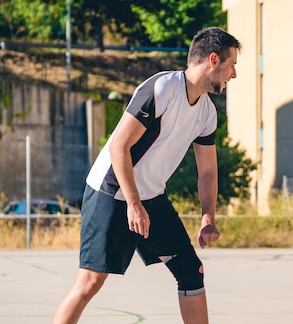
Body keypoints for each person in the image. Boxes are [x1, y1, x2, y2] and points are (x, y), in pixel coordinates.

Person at [52, 27, 241, 324]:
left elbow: (207, 172)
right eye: (232, 65)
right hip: (112, 192)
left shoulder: (207, 113)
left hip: (151, 197)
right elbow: (119, 146)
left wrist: (208, 217)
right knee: (90, 281)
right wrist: (133, 203)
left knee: (191, 271)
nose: (233, 75)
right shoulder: (162, 88)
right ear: (213, 60)